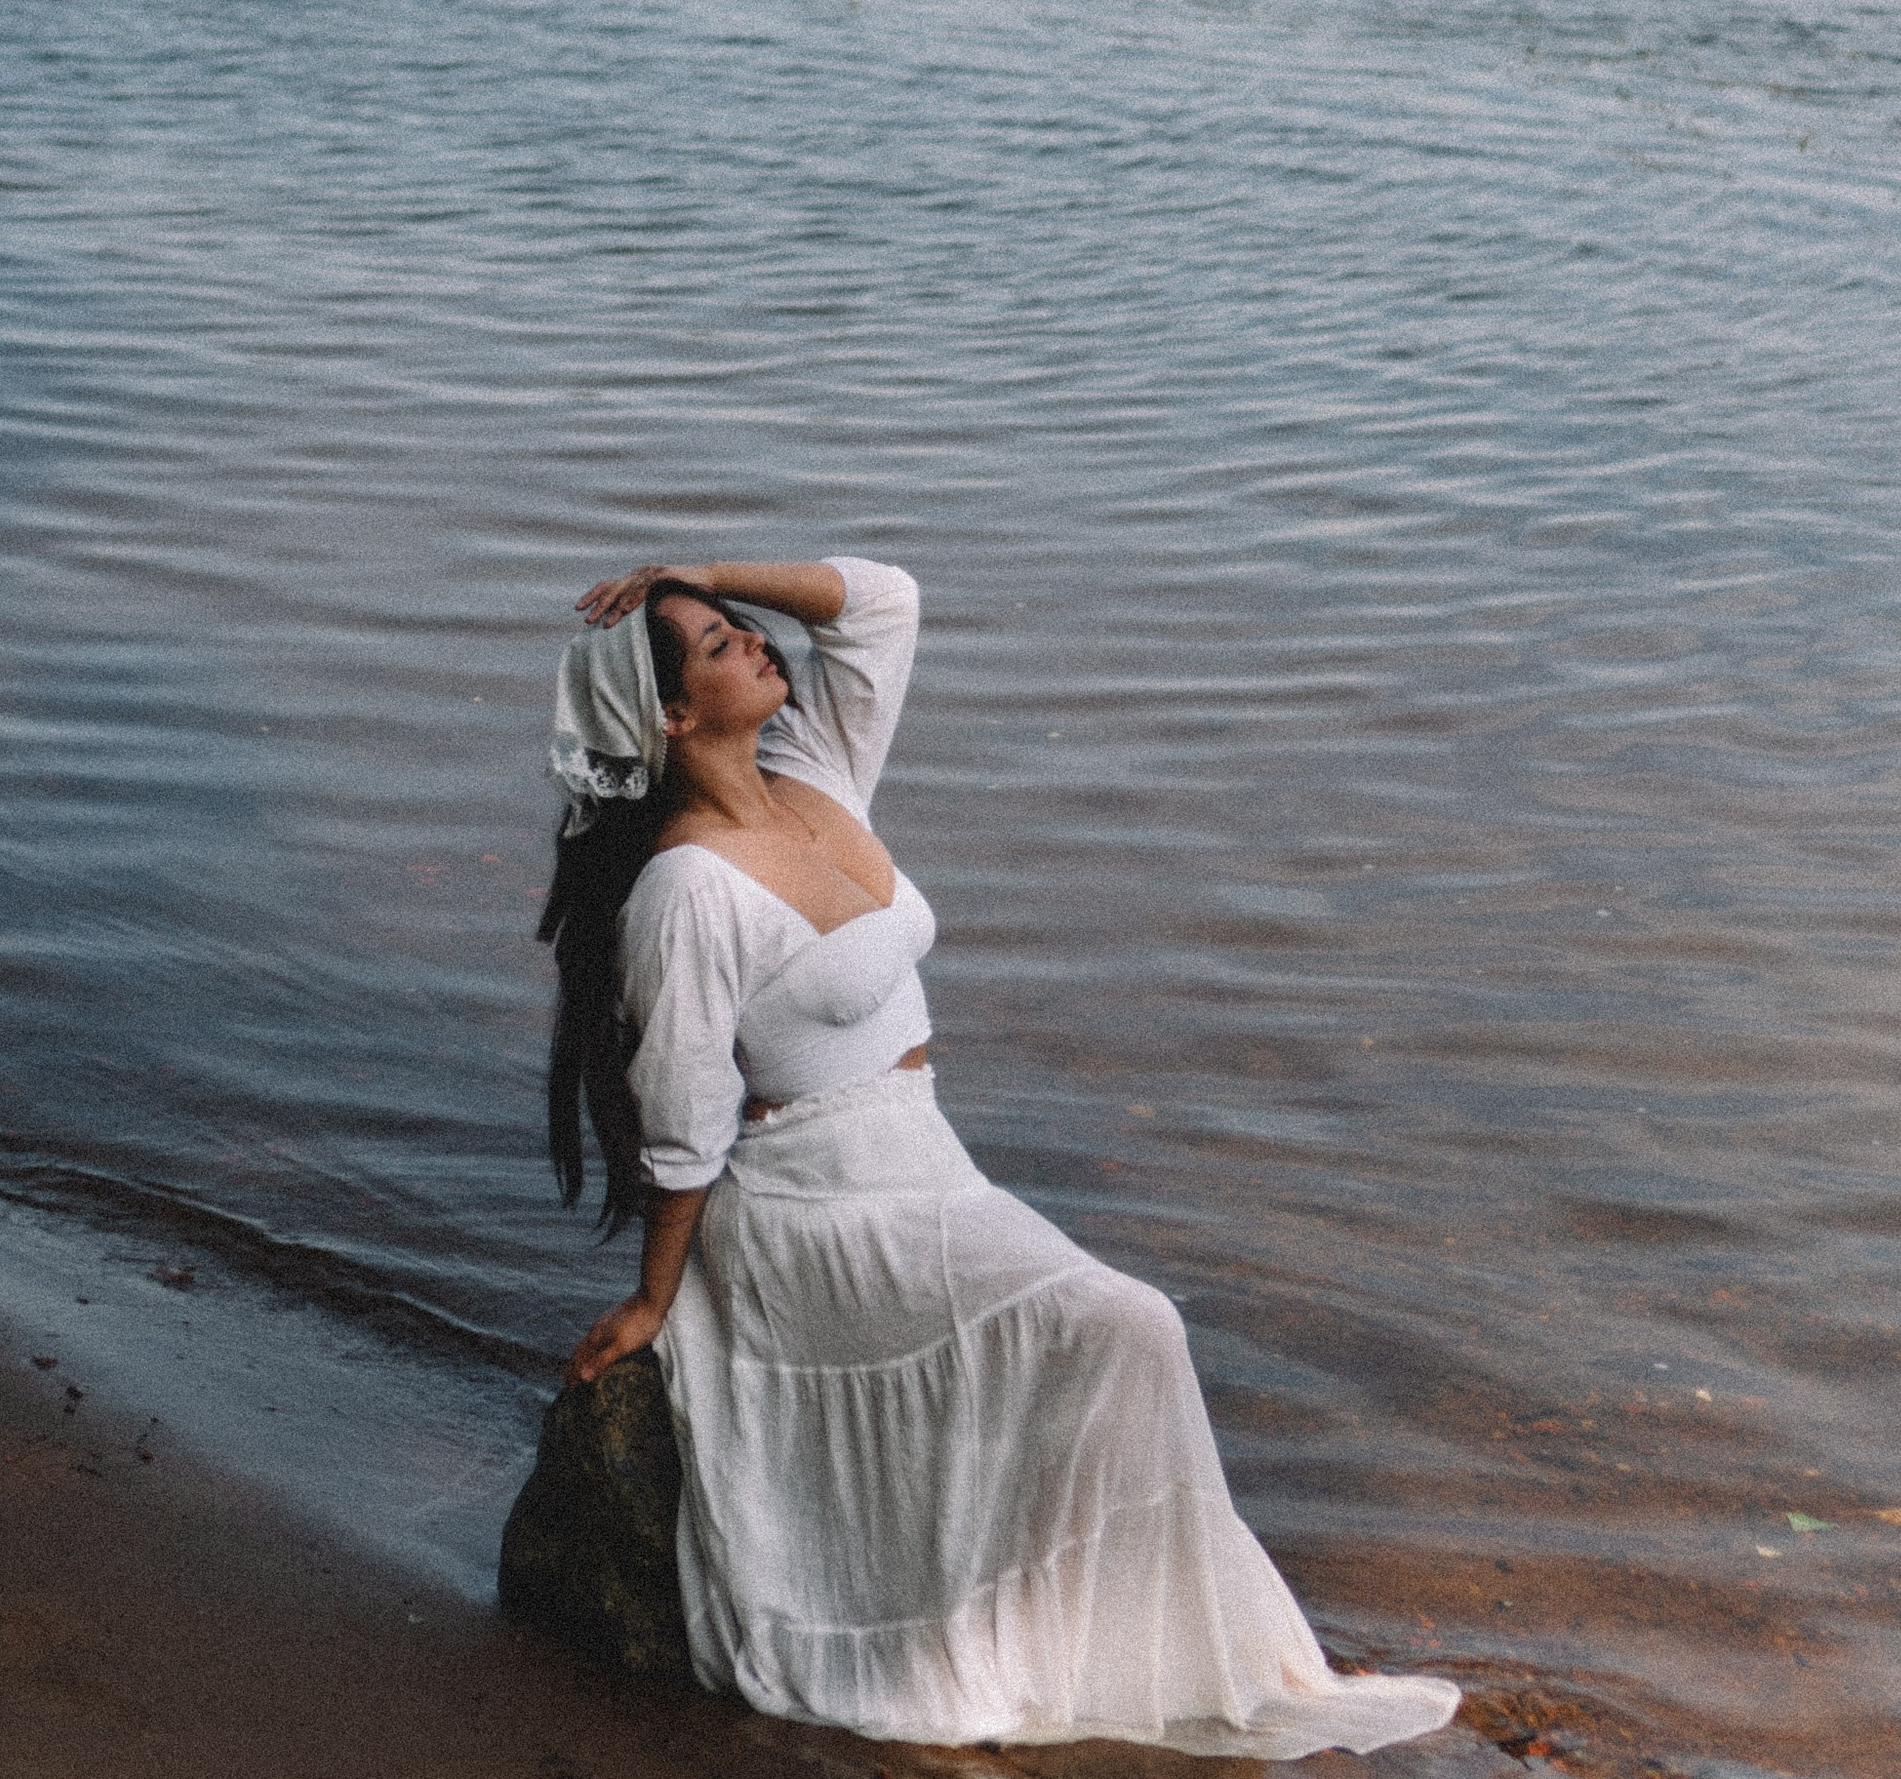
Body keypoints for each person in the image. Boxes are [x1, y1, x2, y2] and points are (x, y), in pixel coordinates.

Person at [536, 554, 1461, 1760]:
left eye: (740, 630)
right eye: (719, 646)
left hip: (925, 1159)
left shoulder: (817, 776)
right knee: (1133, 1324)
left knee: (1115, 1333)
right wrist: (660, 1296)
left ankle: (1091, 1628)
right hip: (819, 1204)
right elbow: (685, 1117)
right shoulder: (685, 894)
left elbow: (880, 603)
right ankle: (1067, 1639)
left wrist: (700, 566)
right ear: (667, 715)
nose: (760, 644)